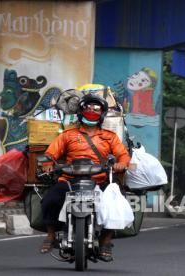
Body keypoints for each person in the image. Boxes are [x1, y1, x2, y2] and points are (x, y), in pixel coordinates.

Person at [39, 93, 131, 262]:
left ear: (102, 113)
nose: (91, 111)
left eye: (96, 108)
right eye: (87, 107)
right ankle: (51, 236)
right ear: (80, 112)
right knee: (49, 199)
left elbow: (123, 156)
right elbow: (50, 154)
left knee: (117, 202)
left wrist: (121, 164)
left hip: (99, 180)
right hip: (68, 179)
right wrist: (48, 163)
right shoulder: (68, 135)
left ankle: (106, 241)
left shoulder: (110, 137)